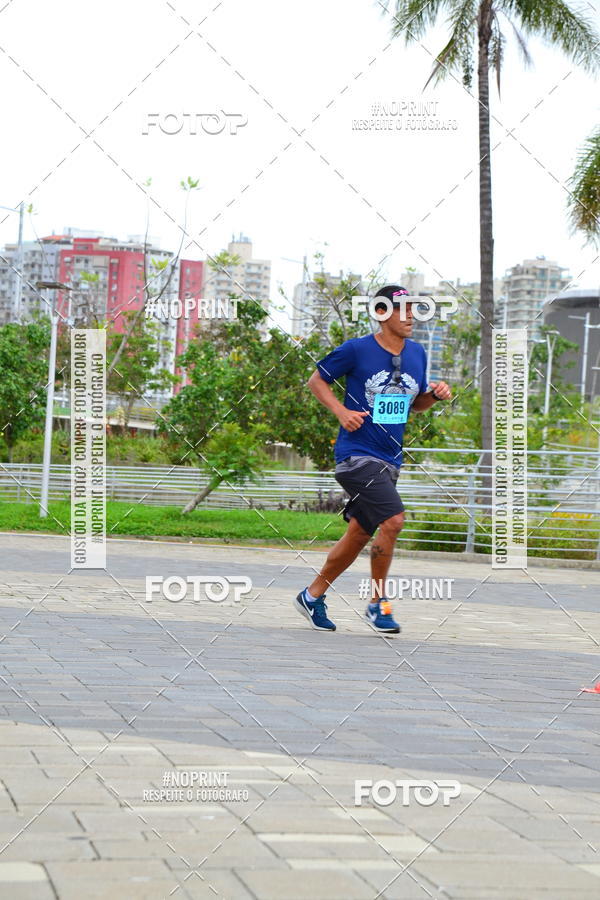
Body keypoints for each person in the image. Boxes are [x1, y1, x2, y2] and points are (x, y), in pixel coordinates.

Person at [294, 284, 452, 634]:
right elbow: (316, 381)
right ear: (381, 313)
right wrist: (341, 411)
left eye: (414, 309)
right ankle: (378, 604)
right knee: (393, 521)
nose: (411, 316)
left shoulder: (417, 353)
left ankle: (311, 595)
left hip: (390, 459)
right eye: (403, 309)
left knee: (358, 535)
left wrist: (434, 396)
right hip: (356, 456)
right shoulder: (356, 349)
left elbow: (415, 404)